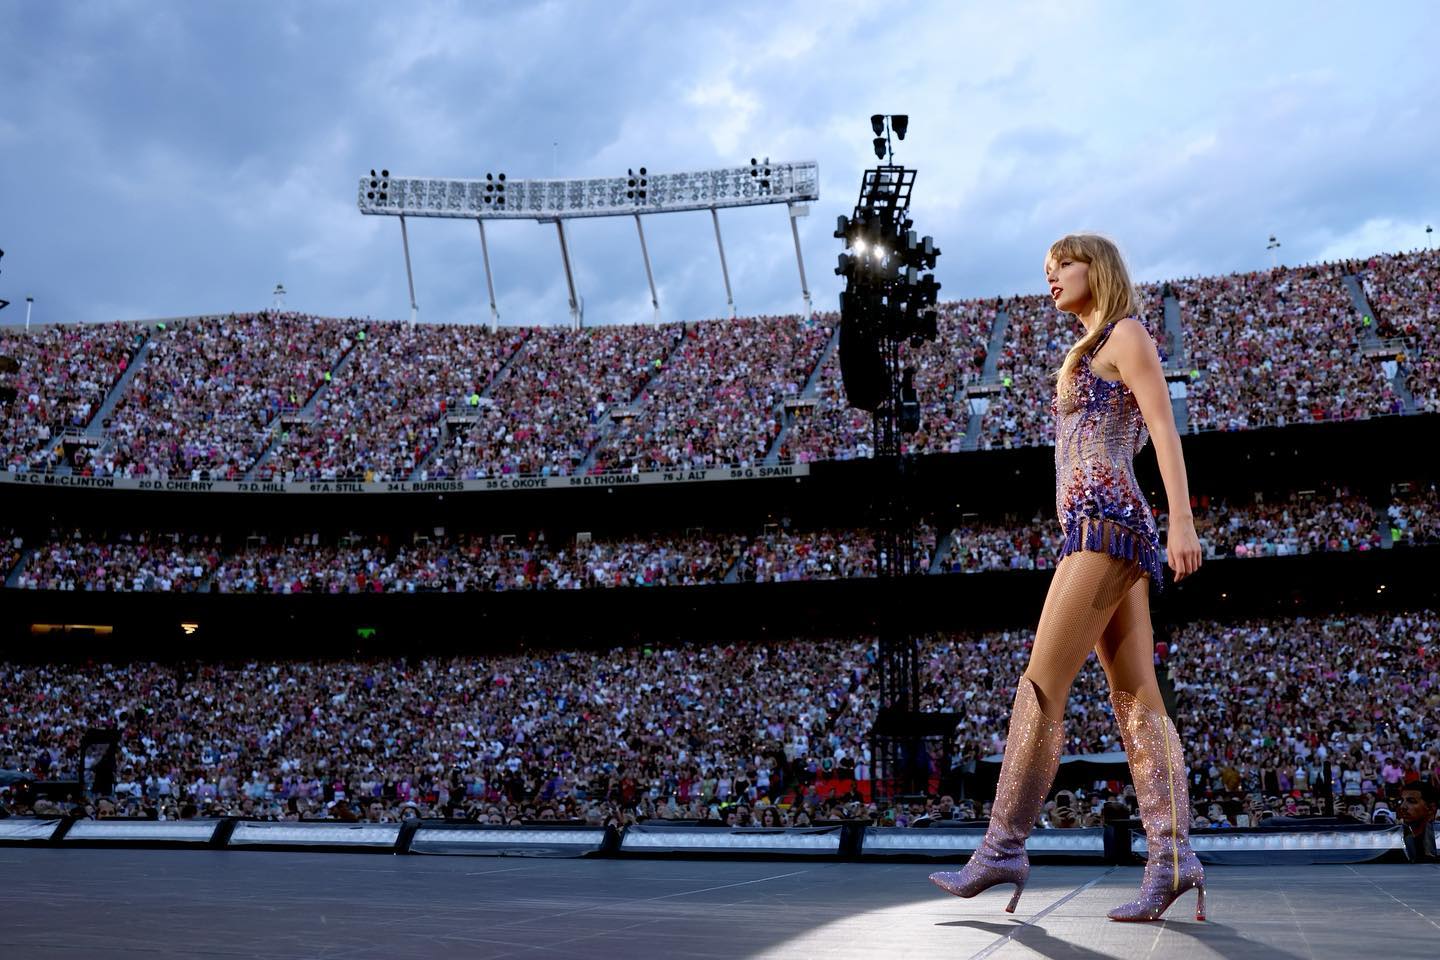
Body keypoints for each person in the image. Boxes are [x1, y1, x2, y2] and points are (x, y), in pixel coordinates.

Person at [931, 234, 1207, 923]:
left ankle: (1002, 847)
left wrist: (1182, 521)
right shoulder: (1088, 349)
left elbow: (1164, 432)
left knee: (1042, 684)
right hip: (1105, 525)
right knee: (1137, 695)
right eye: (1048, 272)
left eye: (1064, 267)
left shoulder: (1128, 334)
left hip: (1107, 522)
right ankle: (1173, 857)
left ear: (1100, 269)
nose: (1051, 279)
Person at [1397, 782, 1438, 862]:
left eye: (1411, 801)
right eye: (1401, 801)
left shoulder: (1436, 837)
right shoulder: (1396, 838)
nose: (1402, 806)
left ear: (1431, 809)